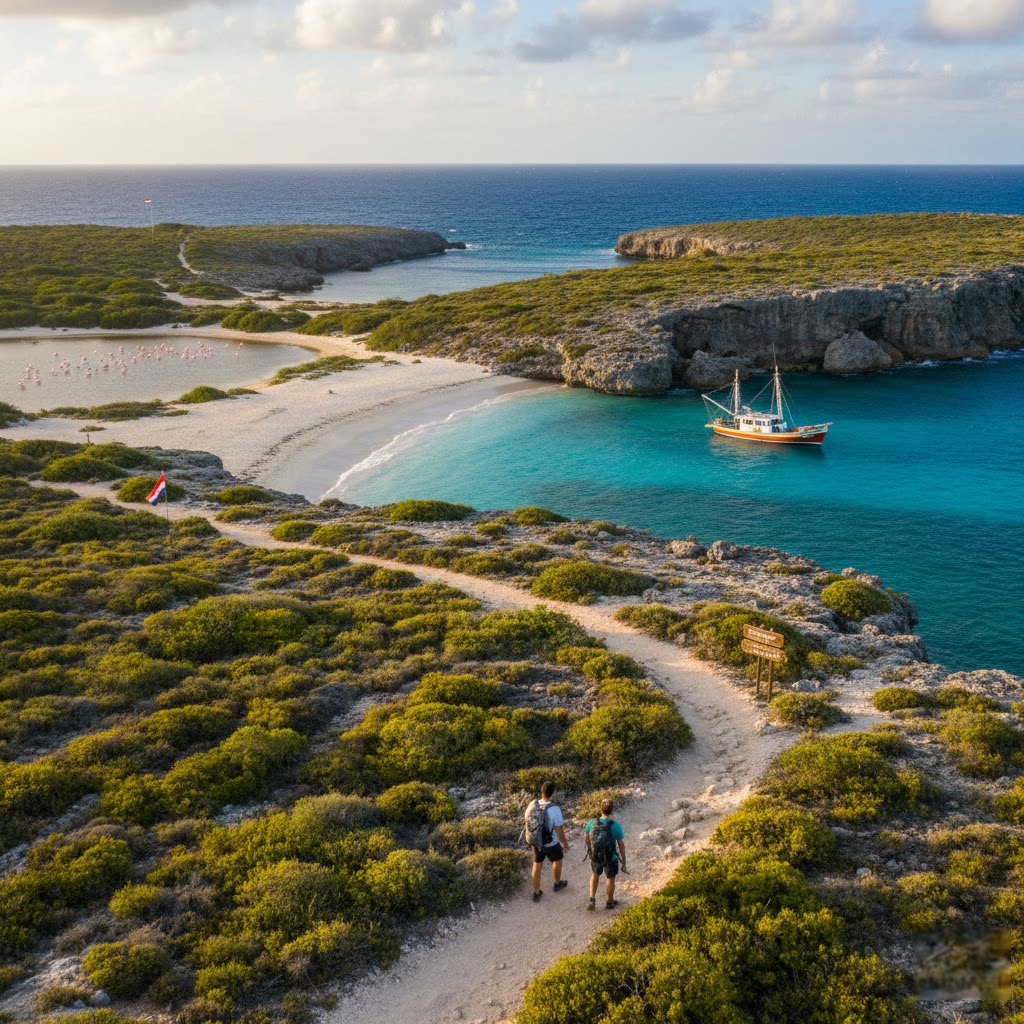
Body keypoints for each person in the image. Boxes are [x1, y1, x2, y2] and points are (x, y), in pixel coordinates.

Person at [528, 781, 569, 901]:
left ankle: (536, 892)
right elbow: (559, 829)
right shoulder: (554, 809)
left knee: (537, 864)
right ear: (552, 793)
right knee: (557, 860)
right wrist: (564, 844)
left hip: (536, 840)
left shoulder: (532, 804)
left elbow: (526, 820)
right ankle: (557, 884)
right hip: (550, 842)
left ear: (542, 791)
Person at [585, 797, 627, 910]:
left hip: (596, 855)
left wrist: (591, 849)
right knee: (610, 878)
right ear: (611, 810)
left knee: (595, 875)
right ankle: (609, 901)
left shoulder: (591, 822)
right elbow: (621, 845)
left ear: (601, 809)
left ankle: (592, 899)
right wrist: (624, 862)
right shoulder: (615, 826)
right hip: (610, 857)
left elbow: (586, 837)